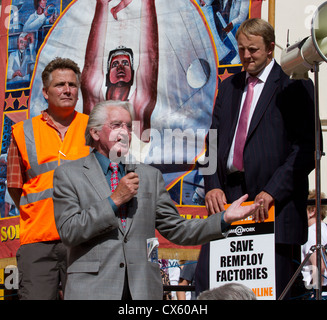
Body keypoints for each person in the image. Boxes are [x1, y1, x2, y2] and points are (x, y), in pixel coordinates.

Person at [52, 99, 262, 300]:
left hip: (142, 290)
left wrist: (224, 218)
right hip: (93, 290)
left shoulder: (149, 176)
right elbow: (69, 231)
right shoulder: (70, 175)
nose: (124, 132)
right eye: (116, 125)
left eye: (128, 126)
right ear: (95, 132)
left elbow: (178, 229)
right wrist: (114, 201)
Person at [198, 18, 316, 299]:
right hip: (230, 200)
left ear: (270, 48)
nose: (247, 56)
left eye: (253, 49)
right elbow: (212, 144)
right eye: (241, 50)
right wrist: (212, 183)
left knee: (270, 291)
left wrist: (272, 191)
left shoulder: (294, 83)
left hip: (275, 206)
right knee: (208, 284)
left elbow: (307, 149)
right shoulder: (228, 88)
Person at [7, 57, 90, 300]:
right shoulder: (23, 132)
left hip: (85, 239)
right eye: (60, 85)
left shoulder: (94, 128)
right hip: (38, 241)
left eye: (72, 85)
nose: (67, 90)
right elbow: (15, 187)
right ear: (45, 92)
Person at [81, 0, 158, 142]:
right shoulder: (95, 105)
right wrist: (102, 5)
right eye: (115, 64)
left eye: (125, 63)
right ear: (107, 73)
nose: (121, 67)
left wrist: (148, 2)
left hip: (133, 163)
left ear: (134, 73)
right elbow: (92, 61)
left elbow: (150, 56)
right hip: (98, 163)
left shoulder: (139, 104)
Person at [301, 190, 327, 297]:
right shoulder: (324, 229)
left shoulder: (311, 232)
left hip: (320, 293)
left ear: (312, 211)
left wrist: (315, 294)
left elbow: (318, 266)